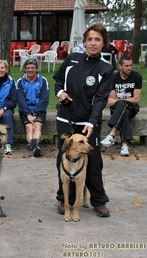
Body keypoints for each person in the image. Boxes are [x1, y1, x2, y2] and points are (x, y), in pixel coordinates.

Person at [54, 24, 113, 218]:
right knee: (63, 156)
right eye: (90, 39)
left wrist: (92, 122)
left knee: (94, 160)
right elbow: (57, 80)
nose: (93, 43)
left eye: (97, 39)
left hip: (88, 122)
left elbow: (100, 100)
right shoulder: (72, 59)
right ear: (85, 42)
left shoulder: (106, 68)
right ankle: (65, 198)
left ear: (103, 43)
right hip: (66, 119)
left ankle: (98, 200)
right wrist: (60, 93)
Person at [100, 54, 142, 156]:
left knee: (123, 105)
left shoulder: (137, 77)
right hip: (117, 109)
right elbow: (110, 100)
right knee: (124, 112)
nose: (129, 68)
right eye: (126, 66)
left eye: (131, 65)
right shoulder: (113, 78)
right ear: (120, 66)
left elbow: (136, 100)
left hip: (132, 108)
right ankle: (124, 146)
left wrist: (119, 101)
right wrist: (121, 101)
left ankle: (112, 134)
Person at [16, 58, 49, 157]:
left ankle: (34, 146)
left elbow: (44, 99)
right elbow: (20, 100)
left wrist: (35, 113)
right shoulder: (20, 82)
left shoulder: (43, 81)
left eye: (32, 68)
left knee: (37, 125)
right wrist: (28, 114)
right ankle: (35, 147)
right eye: (28, 68)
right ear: (25, 69)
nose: (30, 70)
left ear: (36, 69)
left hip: (39, 110)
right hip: (25, 111)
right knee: (29, 127)